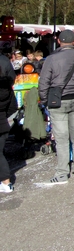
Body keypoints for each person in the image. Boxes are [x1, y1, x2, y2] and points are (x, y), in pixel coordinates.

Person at [38, 30, 74, 185]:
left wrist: (44, 99)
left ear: (59, 41)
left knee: (61, 139)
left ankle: (62, 173)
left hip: (57, 101)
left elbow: (44, 82)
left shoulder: (52, 59)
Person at [0, 51, 17, 192]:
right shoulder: (7, 88)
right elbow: (13, 106)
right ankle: (5, 182)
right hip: (3, 123)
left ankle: (6, 182)